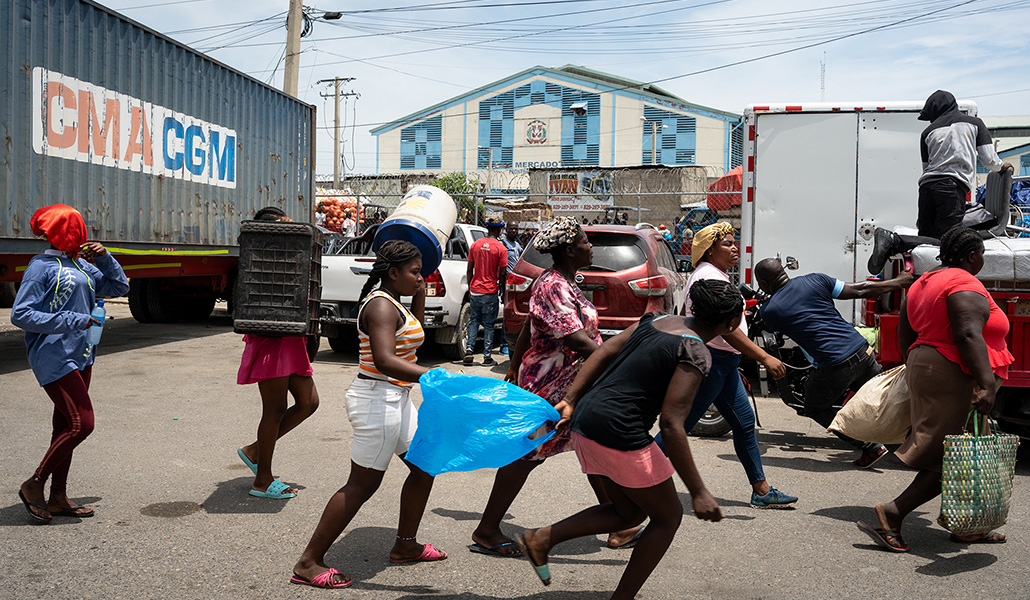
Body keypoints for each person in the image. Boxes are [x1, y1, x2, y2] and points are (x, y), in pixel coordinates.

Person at [516, 279, 740, 599]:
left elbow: (606, 348)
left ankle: (540, 539)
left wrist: (573, 398)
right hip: (618, 430)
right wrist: (699, 491)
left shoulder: (657, 319)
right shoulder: (695, 350)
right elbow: (672, 424)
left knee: (629, 513)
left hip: (587, 420)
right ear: (732, 323)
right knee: (668, 516)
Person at [471, 217, 639, 557]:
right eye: (585, 242)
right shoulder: (553, 286)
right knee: (528, 455)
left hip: (575, 382)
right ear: (568, 250)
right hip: (552, 388)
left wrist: (515, 364)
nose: (590, 247)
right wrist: (624, 365)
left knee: (594, 448)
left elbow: (528, 328)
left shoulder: (567, 281)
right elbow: (578, 340)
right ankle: (487, 529)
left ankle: (620, 523)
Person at [291, 240, 445, 589]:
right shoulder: (379, 307)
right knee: (362, 484)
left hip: (398, 398)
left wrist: (420, 292)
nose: (419, 277)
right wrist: (433, 376)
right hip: (378, 401)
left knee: (425, 466)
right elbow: (385, 360)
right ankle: (308, 562)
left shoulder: (395, 304)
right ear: (392, 273)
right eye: (414, 272)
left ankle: (406, 546)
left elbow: (414, 338)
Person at [858, 227, 1013, 552]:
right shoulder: (963, 282)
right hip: (953, 371)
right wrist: (986, 384)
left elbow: (905, 330)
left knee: (962, 450)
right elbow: (968, 334)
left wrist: (912, 363)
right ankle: (893, 513)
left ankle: (968, 526)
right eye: (982, 255)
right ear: (972, 256)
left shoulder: (923, 282)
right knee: (954, 454)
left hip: (929, 364)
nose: (982, 260)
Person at [656, 223, 798, 508]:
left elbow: (687, 315)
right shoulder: (709, 276)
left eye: (735, 243)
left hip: (724, 363)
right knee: (677, 429)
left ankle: (761, 490)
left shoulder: (707, 274)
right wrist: (764, 357)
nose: (735, 248)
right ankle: (633, 480)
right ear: (710, 250)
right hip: (711, 363)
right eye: (728, 244)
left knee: (744, 423)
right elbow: (727, 329)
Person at [12, 204, 129, 523]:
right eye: (75, 228)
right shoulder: (41, 266)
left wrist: (104, 257)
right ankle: (34, 484)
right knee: (82, 424)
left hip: (82, 354)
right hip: (53, 354)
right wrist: (75, 319)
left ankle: (59, 496)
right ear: (64, 230)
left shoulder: (82, 266)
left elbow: (120, 287)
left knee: (64, 426)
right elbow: (20, 314)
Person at [753, 258, 916, 467]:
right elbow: (860, 290)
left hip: (834, 364)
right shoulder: (815, 279)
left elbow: (778, 330)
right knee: (885, 399)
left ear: (764, 284)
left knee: (814, 407)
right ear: (784, 270)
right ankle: (919, 439)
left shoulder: (770, 311)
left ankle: (870, 447)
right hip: (862, 350)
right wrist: (898, 281)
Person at [867, 90, 1014, 274]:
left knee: (927, 242)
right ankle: (895, 241)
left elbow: (927, 167)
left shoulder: (928, 131)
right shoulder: (975, 123)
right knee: (948, 242)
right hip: (951, 187)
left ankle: (919, 274)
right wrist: (1001, 168)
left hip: (927, 187)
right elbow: (988, 159)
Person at [236, 207, 320, 499]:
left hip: (289, 338)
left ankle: (254, 450)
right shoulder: (258, 260)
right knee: (274, 410)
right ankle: (262, 479)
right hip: (271, 339)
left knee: (309, 402)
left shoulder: (288, 258)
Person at [463, 217, 507, 366]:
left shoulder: (475, 245)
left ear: (487, 228)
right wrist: (503, 290)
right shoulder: (501, 248)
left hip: (475, 291)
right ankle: (487, 357)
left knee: (474, 321)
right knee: (489, 324)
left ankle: (469, 350)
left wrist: (470, 288)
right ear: (499, 229)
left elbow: (469, 269)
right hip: (490, 291)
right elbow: (502, 273)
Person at [498, 220, 525, 356]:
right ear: (506, 229)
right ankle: (503, 344)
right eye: (511, 229)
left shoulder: (517, 245)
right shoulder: (503, 244)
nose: (514, 231)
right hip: (507, 283)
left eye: (516, 229)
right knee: (507, 315)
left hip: (516, 283)